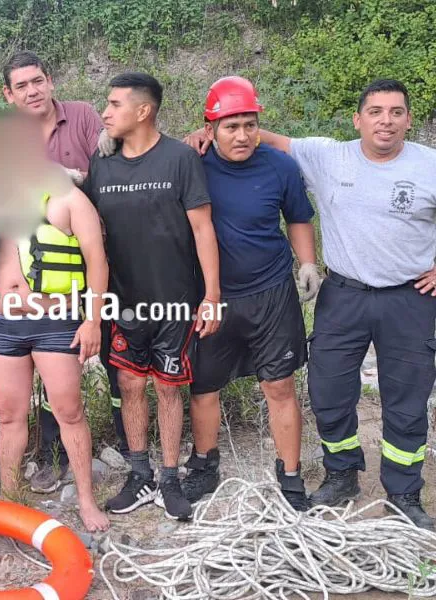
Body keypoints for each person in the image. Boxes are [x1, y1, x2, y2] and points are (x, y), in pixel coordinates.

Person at [186, 78, 436, 529]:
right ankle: (342, 475)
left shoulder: (429, 165)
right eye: (375, 112)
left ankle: (404, 494)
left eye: (396, 112)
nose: (386, 121)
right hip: (343, 293)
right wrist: (198, 136)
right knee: (328, 391)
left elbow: (288, 197)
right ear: (357, 119)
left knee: (406, 399)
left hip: (409, 298)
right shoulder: (328, 154)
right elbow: (267, 137)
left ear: (408, 120)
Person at [0, 109, 110, 532]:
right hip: (3, 326)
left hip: (55, 321)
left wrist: (91, 321)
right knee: (10, 415)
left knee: (69, 411)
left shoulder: (68, 199)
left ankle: (87, 501)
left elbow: (96, 261)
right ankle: (9, 498)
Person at [84, 73, 221, 520]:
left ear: (143, 110)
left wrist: (211, 295)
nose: (104, 113)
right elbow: (81, 222)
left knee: (168, 388)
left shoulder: (180, 159)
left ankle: (168, 479)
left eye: (114, 104)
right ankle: (138, 475)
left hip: (175, 300)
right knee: (129, 384)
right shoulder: (101, 165)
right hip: (122, 302)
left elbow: (203, 229)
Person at [180, 76, 318, 511]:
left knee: (279, 385)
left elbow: (297, 217)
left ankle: (291, 476)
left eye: (249, 124)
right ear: (210, 128)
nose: (242, 135)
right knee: (203, 386)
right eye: (230, 126)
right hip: (211, 296)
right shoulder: (192, 165)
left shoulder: (280, 166)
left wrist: (308, 262)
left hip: (272, 292)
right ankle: (204, 465)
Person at [2, 49, 129, 494]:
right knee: (52, 367)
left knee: (114, 349)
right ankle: (52, 454)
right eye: (22, 85)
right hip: (45, 272)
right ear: (9, 94)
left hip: (102, 248)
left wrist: (73, 176)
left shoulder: (80, 117)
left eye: (38, 81)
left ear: (50, 80)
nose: (33, 90)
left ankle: (129, 446)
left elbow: (114, 162)